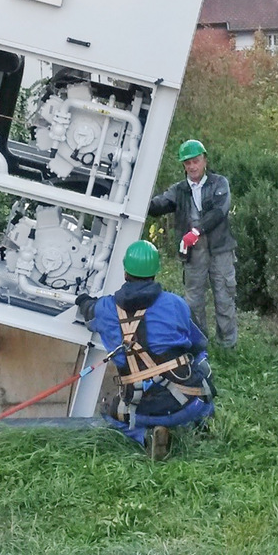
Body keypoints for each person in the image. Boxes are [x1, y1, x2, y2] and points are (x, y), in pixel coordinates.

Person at [76, 239, 214, 458]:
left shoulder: (105, 309)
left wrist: (83, 300)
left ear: (125, 272)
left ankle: (144, 436)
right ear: (155, 272)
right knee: (202, 364)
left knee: (108, 412)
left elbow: (89, 312)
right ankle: (201, 425)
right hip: (187, 403)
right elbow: (200, 343)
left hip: (139, 411)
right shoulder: (176, 304)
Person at [148, 139, 237, 347]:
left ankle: (228, 347)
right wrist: (140, 198)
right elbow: (158, 206)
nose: (192, 166)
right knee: (193, 301)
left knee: (224, 297)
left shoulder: (219, 183)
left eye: (196, 161)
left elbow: (219, 211)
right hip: (193, 254)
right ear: (183, 165)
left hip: (221, 250)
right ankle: (199, 345)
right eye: (187, 163)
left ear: (205, 160)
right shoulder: (178, 190)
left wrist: (196, 231)